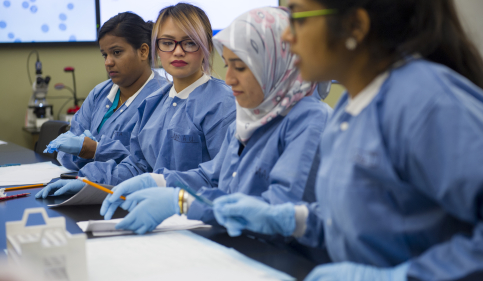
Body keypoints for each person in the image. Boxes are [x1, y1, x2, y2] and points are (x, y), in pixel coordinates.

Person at [213, 0, 483, 280]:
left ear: (355, 26)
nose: (287, 35)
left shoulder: (424, 102)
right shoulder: (351, 107)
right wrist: (296, 220)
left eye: (298, 17)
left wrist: (405, 276)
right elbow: (363, 218)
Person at [97, 7, 332, 235]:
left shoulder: (309, 121)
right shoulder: (251, 119)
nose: (228, 79)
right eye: (228, 65)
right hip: (237, 243)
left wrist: (185, 203)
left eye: (239, 67)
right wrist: (158, 181)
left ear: (275, 63)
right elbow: (212, 176)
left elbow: (275, 212)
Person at [36, 3, 235, 199]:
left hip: (195, 216)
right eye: (167, 43)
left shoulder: (221, 103)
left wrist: (161, 185)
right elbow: (136, 166)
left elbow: (225, 178)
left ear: (207, 47)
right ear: (157, 48)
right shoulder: (154, 103)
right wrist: (88, 182)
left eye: (189, 42)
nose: (178, 51)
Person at [43, 12, 168, 171]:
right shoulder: (99, 93)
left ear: (143, 51)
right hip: (84, 185)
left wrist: (96, 150)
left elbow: (147, 165)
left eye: (116, 52)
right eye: (105, 54)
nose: (108, 62)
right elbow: (67, 153)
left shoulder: (163, 98)